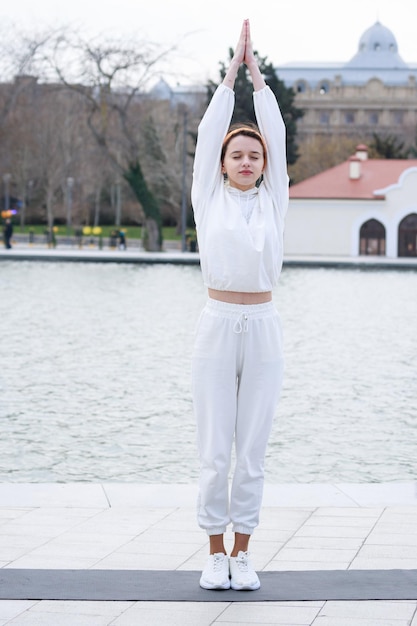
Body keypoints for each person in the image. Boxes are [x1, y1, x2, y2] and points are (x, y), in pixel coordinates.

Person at [191, 19, 289, 591]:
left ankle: (244, 552)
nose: (248, 160)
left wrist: (259, 80)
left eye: (255, 155)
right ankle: (212, 551)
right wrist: (230, 78)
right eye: (239, 155)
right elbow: (207, 136)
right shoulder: (208, 199)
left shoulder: (274, 202)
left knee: (251, 448)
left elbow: (275, 133)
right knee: (213, 448)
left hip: (265, 326)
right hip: (217, 323)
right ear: (225, 164)